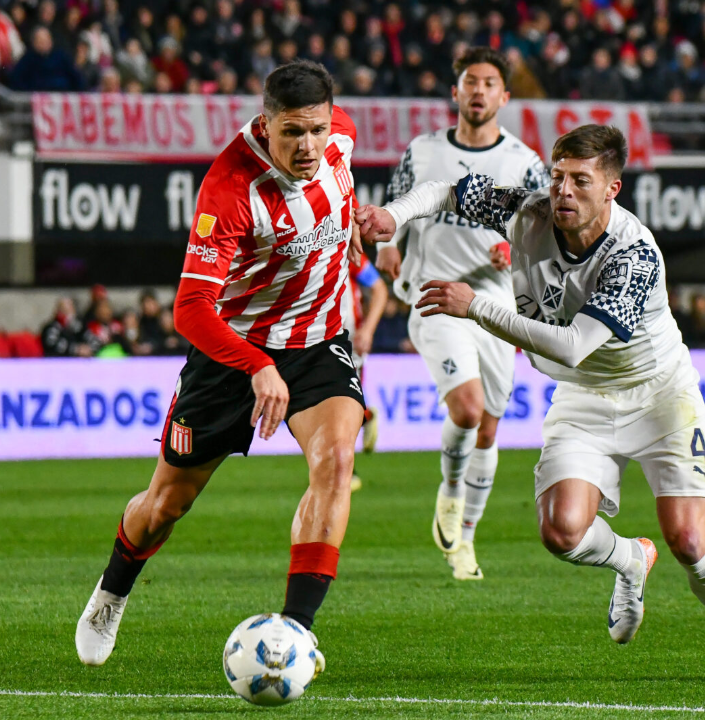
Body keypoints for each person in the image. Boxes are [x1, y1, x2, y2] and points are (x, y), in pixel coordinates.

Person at [358, 124, 705, 682]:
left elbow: (573, 347)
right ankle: (628, 559)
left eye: (580, 180)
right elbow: (444, 190)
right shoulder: (529, 210)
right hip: (585, 398)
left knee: (689, 540)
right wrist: (395, 217)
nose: (562, 191)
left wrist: (475, 306)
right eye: (556, 176)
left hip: (660, 395)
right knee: (561, 532)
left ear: (612, 188)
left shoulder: (634, 254)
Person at [75, 61, 364, 675]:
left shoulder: (341, 133)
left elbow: (335, 191)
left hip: (317, 340)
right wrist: (257, 365)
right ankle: (112, 591)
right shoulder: (230, 188)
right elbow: (190, 308)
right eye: (293, 133)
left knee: (338, 461)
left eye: (316, 129)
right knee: (164, 506)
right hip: (232, 351)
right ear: (265, 123)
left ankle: (295, 636)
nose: (309, 145)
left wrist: (352, 230)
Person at [375, 47, 549, 582]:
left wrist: (516, 252)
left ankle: (465, 541)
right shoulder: (422, 152)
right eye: (469, 81)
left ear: (504, 96)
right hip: (434, 295)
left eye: (489, 82)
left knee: (490, 430)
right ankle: (450, 489)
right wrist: (387, 247)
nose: (478, 90)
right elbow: (394, 210)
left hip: (494, 302)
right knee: (469, 411)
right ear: (456, 93)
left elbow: (544, 237)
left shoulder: (524, 161)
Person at [343, 254, 388, 466]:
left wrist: (368, 330)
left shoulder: (347, 251)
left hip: (348, 339)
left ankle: (346, 472)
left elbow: (379, 288)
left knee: (345, 405)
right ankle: (367, 415)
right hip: (311, 339)